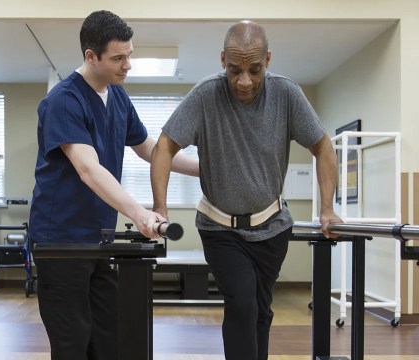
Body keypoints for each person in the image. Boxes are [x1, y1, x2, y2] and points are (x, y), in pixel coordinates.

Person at [150, 20, 343, 360]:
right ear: (222, 59)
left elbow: (323, 147)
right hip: (219, 227)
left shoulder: (286, 94)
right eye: (234, 70)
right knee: (241, 304)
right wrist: (160, 208)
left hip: (272, 228)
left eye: (254, 70)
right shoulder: (206, 95)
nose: (244, 81)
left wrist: (327, 208)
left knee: (260, 309)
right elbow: (164, 147)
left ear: (267, 60)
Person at [28, 10, 199, 360]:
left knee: (109, 339)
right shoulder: (63, 101)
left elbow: (149, 148)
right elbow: (88, 169)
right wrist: (139, 213)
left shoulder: (117, 96)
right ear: (91, 56)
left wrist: (203, 170)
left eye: (130, 55)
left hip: (97, 238)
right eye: (118, 58)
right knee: (72, 340)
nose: (128, 65)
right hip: (60, 241)